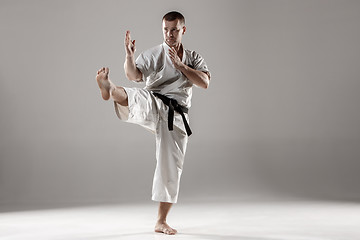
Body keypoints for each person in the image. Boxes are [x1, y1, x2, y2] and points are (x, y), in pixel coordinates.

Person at [96, 11, 210, 235]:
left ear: (183, 30)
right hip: (154, 102)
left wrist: (182, 67)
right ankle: (110, 88)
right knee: (136, 97)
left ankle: (161, 221)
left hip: (176, 115)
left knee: (170, 166)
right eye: (166, 30)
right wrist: (129, 56)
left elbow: (205, 82)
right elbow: (134, 76)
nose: (169, 34)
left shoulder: (193, 57)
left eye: (174, 30)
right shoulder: (155, 53)